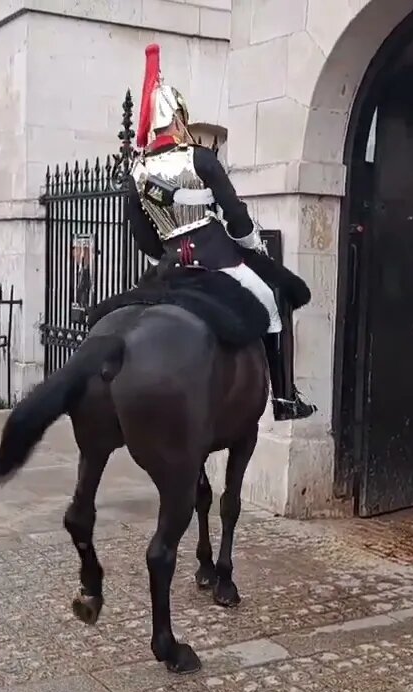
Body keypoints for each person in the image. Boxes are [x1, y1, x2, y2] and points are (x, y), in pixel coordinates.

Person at [125, 43, 315, 421]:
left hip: (169, 266)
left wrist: (168, 251)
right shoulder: (200, 158)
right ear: (178, 120)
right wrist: (251, 243)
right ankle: (284, 399)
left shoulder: (137, 174)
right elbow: (236, 214)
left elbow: (144, 239)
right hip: (218, 258)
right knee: (272, 302)